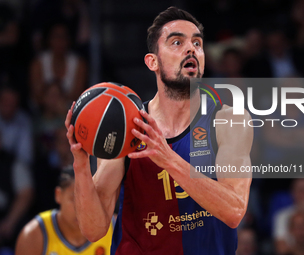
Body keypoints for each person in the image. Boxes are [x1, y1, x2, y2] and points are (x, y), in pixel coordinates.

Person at [65, 6, 252, 254]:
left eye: (197, 43)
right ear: (152, 61)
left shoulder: (229, 120)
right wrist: (80, 165)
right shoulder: (126, 127)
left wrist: (169, 159)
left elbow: (234, 211)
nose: (191, 49)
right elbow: (94, 229)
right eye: (176, 42)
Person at [15, 166, 113, 255]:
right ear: (58, 195)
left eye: (90, 199)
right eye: (74, 199)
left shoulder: (115, 226)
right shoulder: (33, 236)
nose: (82, 209)